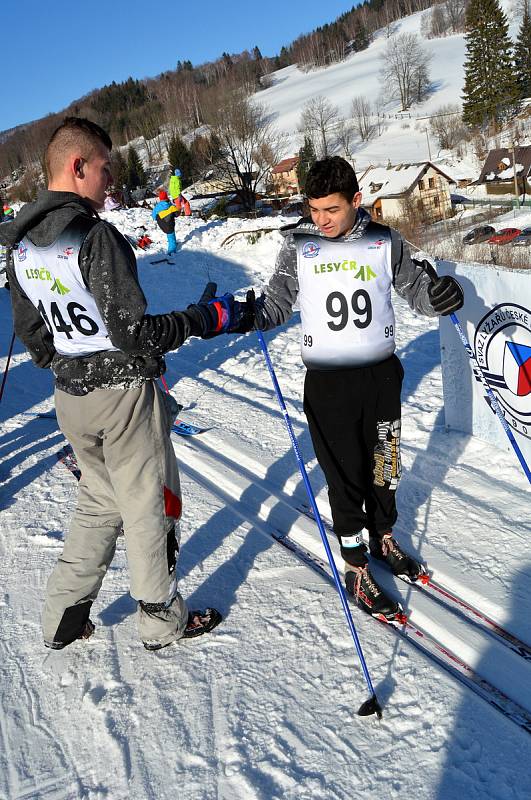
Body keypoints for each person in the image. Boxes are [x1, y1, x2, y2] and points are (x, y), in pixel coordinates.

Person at [0, 117, 248, 651]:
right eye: (105, 169)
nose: (110, 181)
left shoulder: (20, 243)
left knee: (99, 500)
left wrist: (67, 360)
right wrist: (205, 319)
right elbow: (134, 333)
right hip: (123, 396)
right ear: (78, 166)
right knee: (146, 505)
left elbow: (30, 333)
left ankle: (62, 616)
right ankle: (160, 622)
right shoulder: (93, 236)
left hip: (71, 398)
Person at [229, 156, 464, 621]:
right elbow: (276, 303)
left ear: (356, 200)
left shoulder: (383, 240)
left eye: (331, 210)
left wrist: (439, 297)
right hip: (329, 385)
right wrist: (247, 313)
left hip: (380, 376)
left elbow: (416, 288)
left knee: (385, 464)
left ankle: (383, 536)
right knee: (345, 477)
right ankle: (356, 566)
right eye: (314, 210)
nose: (321, 220)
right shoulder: (300, 246)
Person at [152, 190, 179, 255]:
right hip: (170, 224)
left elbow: (153, 216)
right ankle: (171, 251)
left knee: (169, 234)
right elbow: (177, 214)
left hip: (161, 224)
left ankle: (173, 243)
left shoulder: (157, 206)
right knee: (171, 236)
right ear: (166, 197)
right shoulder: (170, 206)